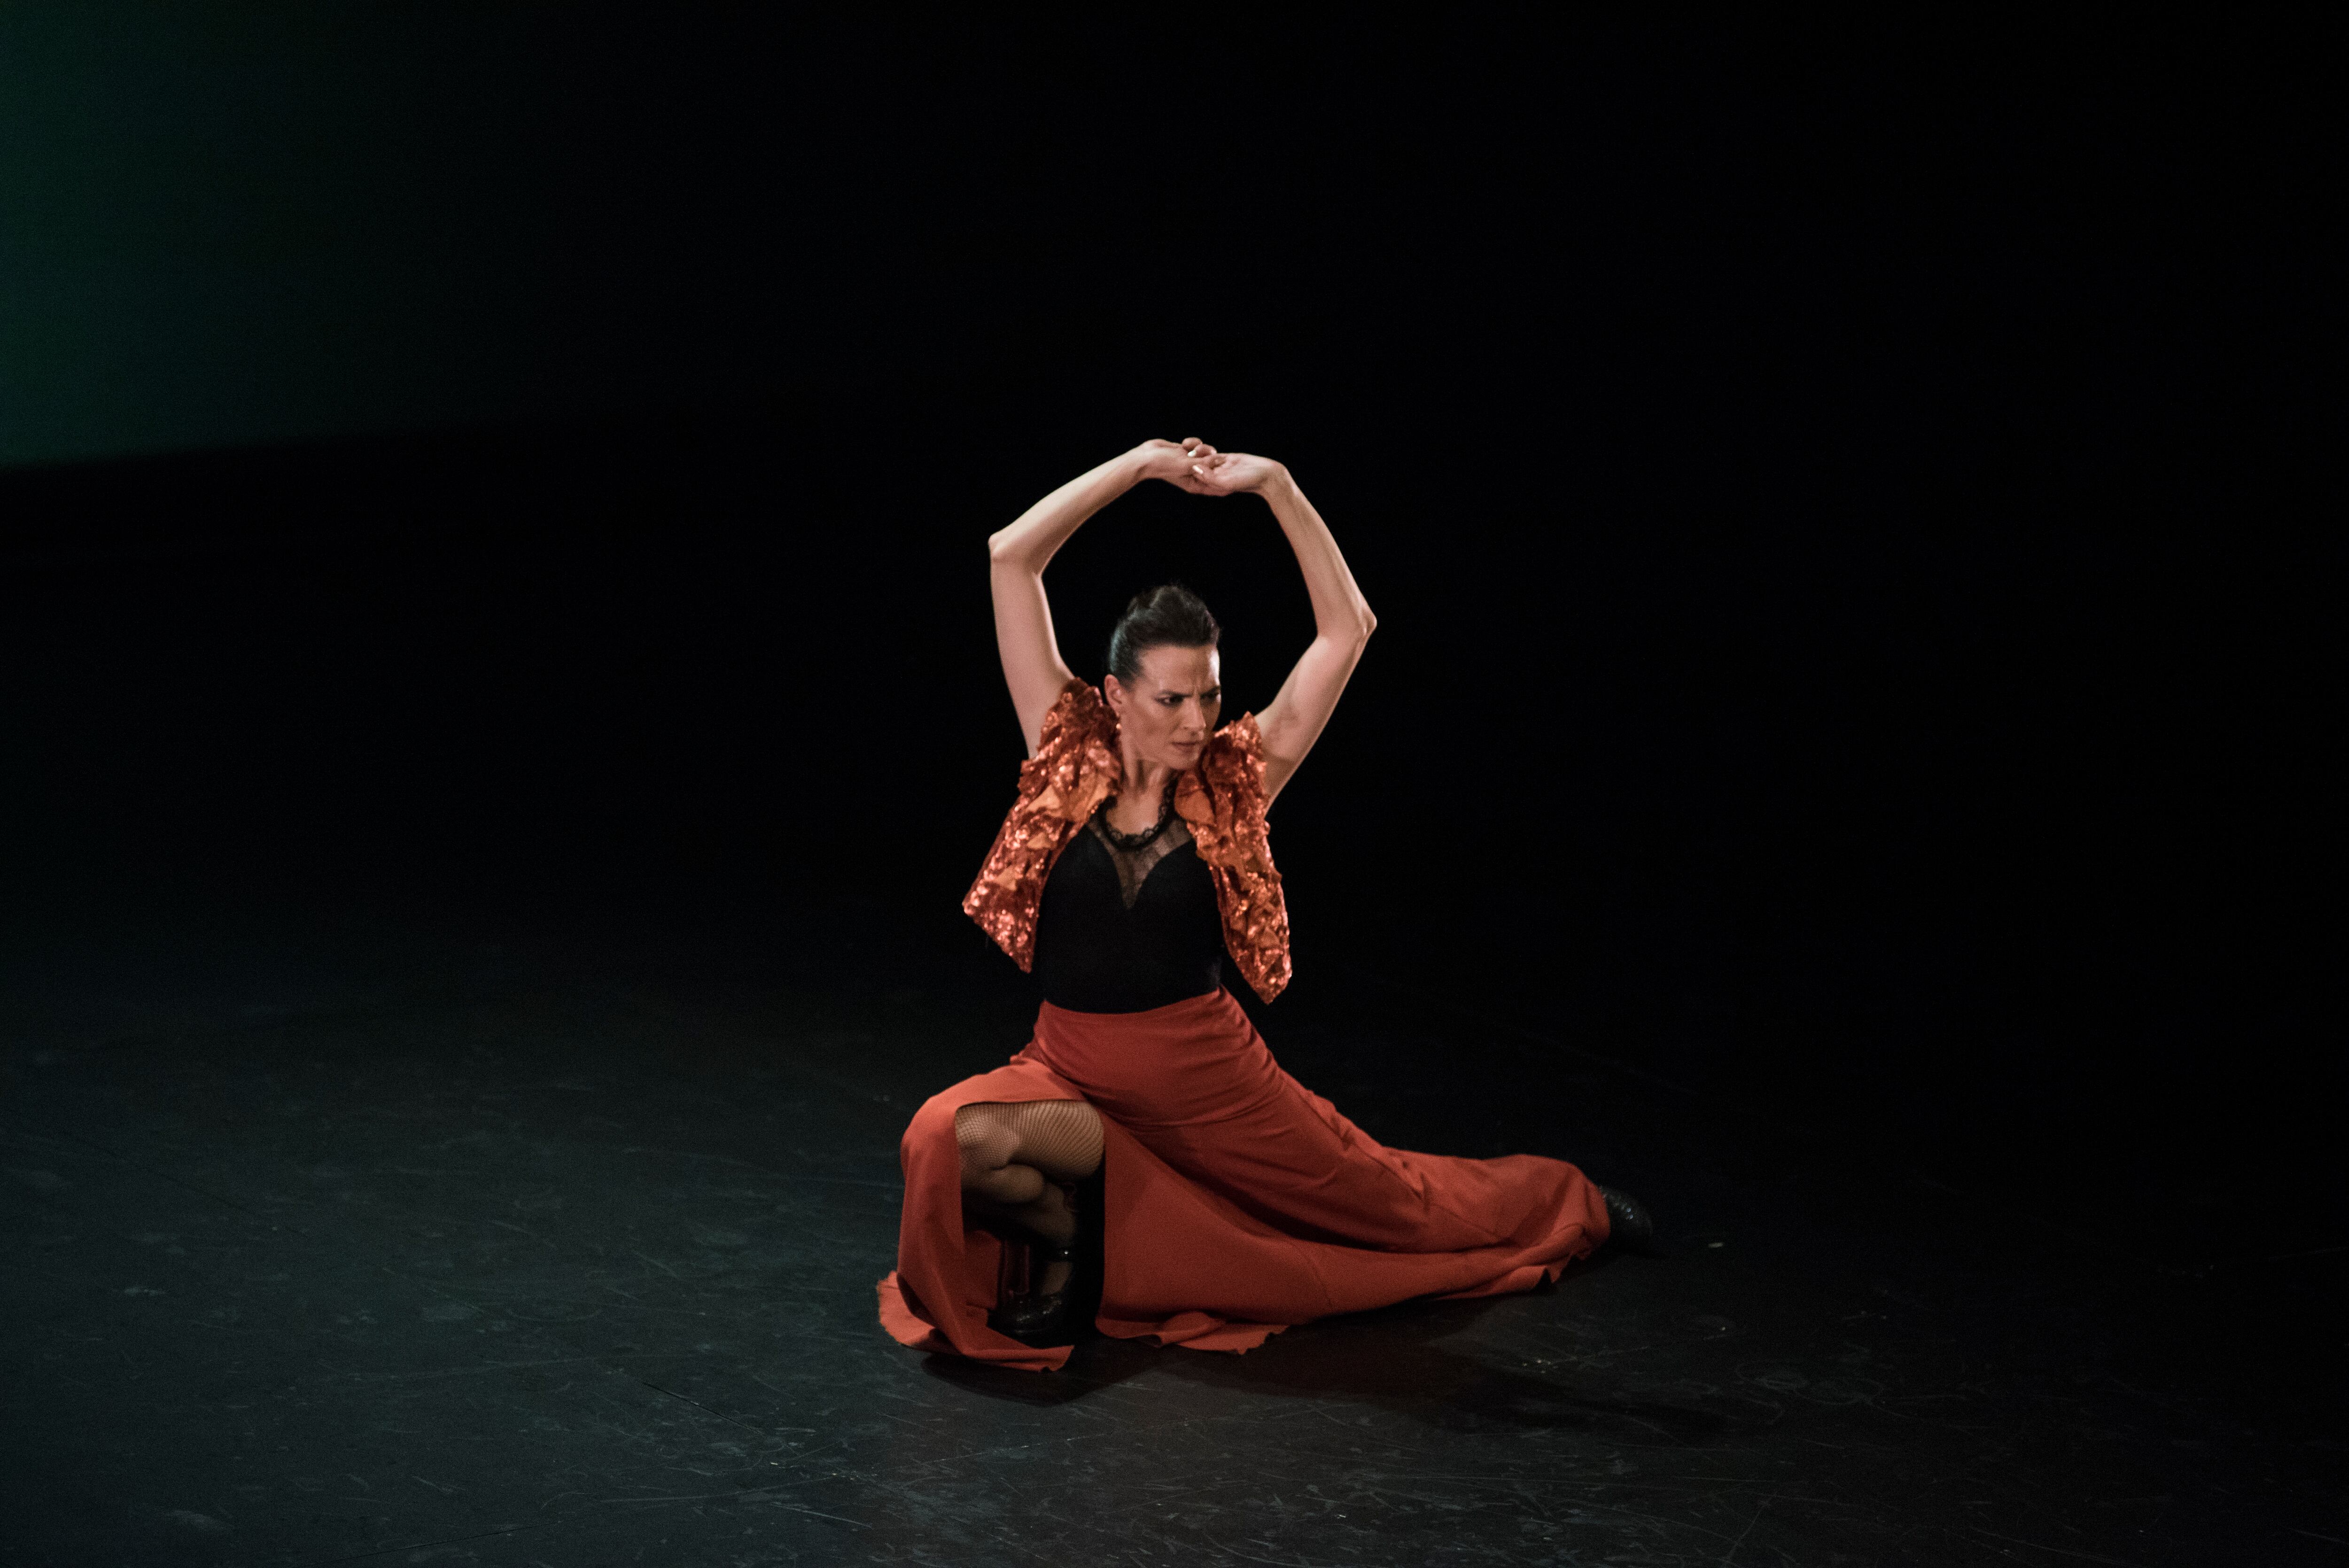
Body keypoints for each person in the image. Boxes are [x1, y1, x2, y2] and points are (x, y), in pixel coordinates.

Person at [876, 437, 1651, 1373]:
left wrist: (1276, 486)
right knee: (943, 1133)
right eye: (1171, 698)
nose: (1197, 719)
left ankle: (1568, 1202)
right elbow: (1011, 554)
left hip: (1210, 1082)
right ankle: (1073, 1250)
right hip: (1071, 1070)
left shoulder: (1238, 781)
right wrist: (1140, 467)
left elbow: (1348, 628)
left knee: (1390, 1202)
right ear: (1116, 696)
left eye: (1209, 693)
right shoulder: (1060, 749)